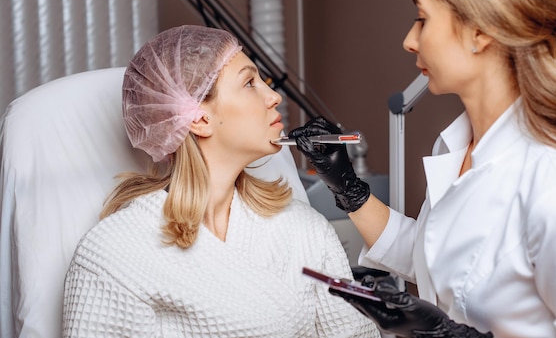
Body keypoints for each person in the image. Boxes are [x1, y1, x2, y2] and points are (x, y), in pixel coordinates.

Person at [288, 0, 556, 337]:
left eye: (422, 18)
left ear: (480, 31)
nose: (410, 40)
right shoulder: (459, 145)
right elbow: (437, 256)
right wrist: (348, 189)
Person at [62, 25, 380, 338]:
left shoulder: (305, 230)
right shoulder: (115, 253)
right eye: (250, 83)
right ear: (200, 119)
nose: (273, 97)